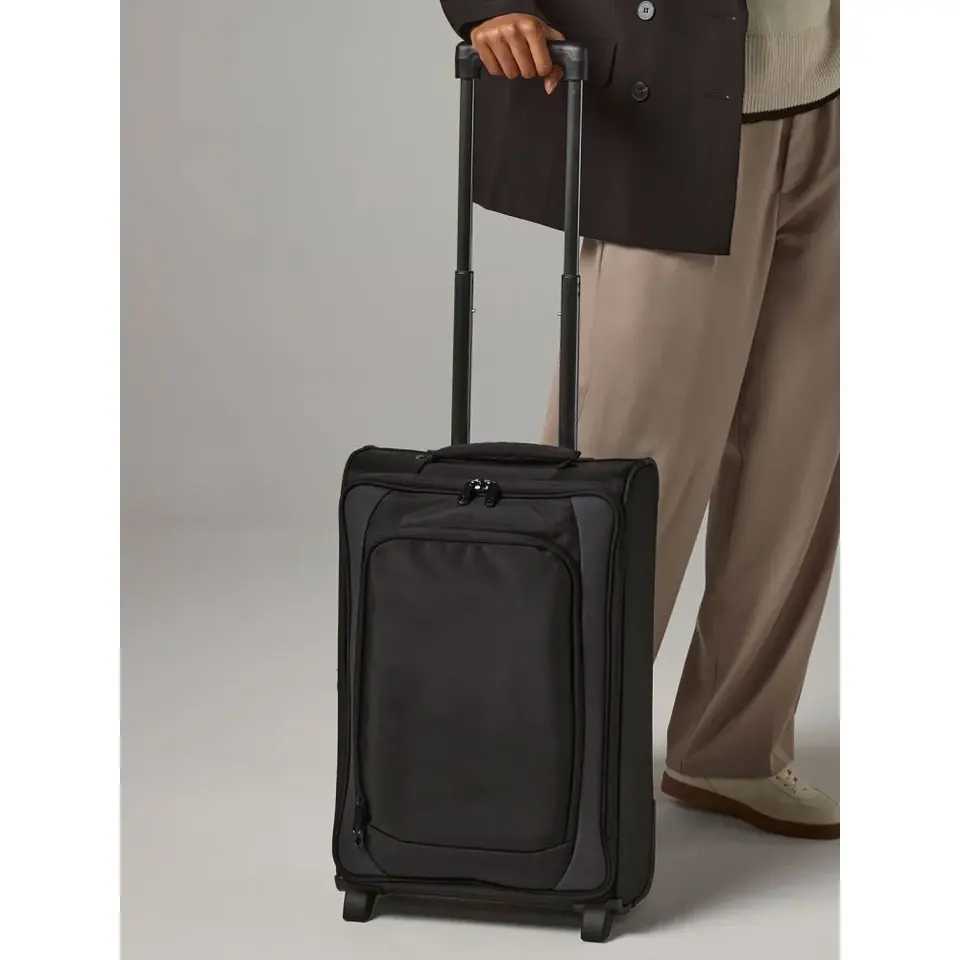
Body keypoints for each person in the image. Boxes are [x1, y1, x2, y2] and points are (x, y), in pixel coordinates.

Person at [439, 0, 840, 840]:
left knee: (800, 465)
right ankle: (536, 767)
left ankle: (733, 750)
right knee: (621, 469)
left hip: (847, 95)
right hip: (678, 104)